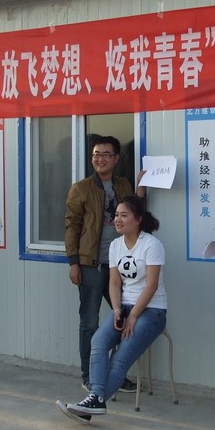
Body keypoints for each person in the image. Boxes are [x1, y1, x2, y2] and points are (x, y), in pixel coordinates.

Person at [57, 195, 167, 424]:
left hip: (152, 311)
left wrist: (133, 316)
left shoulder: (151, 244)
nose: (117, 219)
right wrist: (117, 310)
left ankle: (92, 402)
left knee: (119, 358)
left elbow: (152, 285)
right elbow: (115, 283)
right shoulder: (116, 246)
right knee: (98, 342)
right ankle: (95, 400)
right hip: (124, 307)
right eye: (116, 215)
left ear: (138, 219)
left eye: (123, 215)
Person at [64, 135, 142, 393]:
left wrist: (140, 192)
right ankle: (89, 375)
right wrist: (73, 262)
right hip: (91, 265)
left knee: (124, 319)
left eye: (106, 154)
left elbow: (135, 214)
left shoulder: (123, 184)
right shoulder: (81, 188)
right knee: (89, 323)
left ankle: (116, 374)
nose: (100, 159)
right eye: (96, 154)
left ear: (116, 158)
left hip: (120, 266)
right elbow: (72, 226)